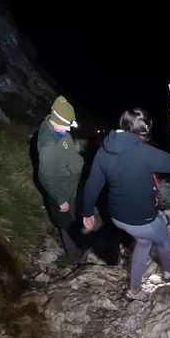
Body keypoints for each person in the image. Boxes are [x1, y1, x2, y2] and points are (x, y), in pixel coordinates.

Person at [82, 107, 170, 301]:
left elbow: (93, 184)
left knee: (143, 241)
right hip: (141, 219)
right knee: (162, 238)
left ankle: (133, 290)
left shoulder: (104, 149)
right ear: (145, 128)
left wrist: (87, 212)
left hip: (117, 215)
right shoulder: (144, 152)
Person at [37, 95, 102, 264]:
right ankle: (77, 260)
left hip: (74, 184)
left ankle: (98, 244)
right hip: (64, 192)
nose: (69, 128)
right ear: (56, 120)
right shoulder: (48, 145)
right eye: (66, 124)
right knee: (68, 225)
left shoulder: (55, 127)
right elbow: (45, 176)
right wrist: (60, 199)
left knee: (88, 213)